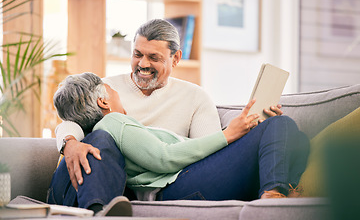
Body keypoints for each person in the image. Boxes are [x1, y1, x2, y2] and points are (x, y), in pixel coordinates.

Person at [49, 72, 309, 207]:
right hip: (178, 184)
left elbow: (69, 124)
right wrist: (228, 134)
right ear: (103, 101)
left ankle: (275, 192)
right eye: (113, 91)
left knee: (290, 136)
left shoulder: (100, 132)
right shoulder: (112, 122)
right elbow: (165, 158)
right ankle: (273, 197)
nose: (119, 95)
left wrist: (242, 131)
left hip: (188, 180)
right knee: (280, 125)